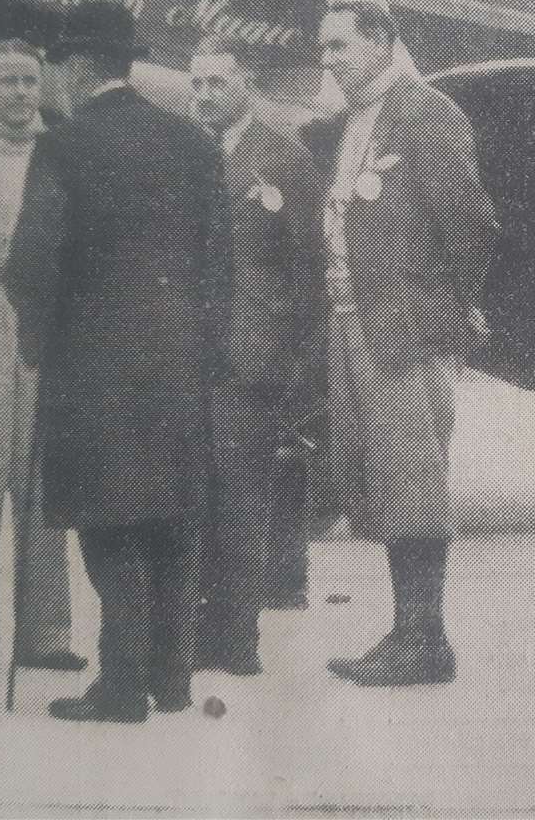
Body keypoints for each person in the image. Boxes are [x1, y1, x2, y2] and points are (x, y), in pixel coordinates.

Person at [7, 3, 231, 723]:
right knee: (169, 518)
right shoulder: (194, 143)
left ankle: (121, 686)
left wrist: (37, 340)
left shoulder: (64, 146)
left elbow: (29, 264)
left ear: (75, 69)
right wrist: (207, 353)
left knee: (107, 524)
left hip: (92, 370)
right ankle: (171, 680)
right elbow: (220, 266)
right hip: (180, 367)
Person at [300, 2, 494, 687]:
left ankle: (426, 639)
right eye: (322, 48)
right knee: (378, 477)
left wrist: (437, 310)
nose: (328, 59)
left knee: (413, 482)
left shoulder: (425, 112)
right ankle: (407, 629)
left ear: (382, 41)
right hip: (351, 322)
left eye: (340, 45)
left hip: (401, 332)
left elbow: (471, 226)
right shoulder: (355, 119)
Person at [0, 40, 85, 677]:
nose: (22, 92)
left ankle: (47, 632)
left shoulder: (61, 155)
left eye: (31, 80)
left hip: (40, 327)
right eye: (8, 80)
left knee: (40, 476)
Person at [188, 37, 323, 672]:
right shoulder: (188, 152)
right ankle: (192, 631)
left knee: (241, 498)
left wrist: (295, 365)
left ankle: (236, 640)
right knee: (194, 494)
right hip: (191, 352)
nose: (205, 96)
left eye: (218, 82)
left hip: (254, 354)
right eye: (199, 83)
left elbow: (305, 272)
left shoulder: (284, 159)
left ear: (248, 83)